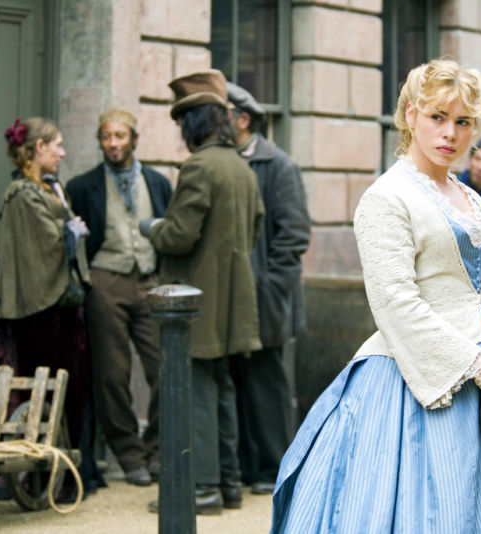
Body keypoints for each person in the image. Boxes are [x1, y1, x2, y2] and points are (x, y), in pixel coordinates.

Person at [270, 59, 481, 533]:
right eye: (437, 117)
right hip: (416, 379)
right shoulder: (387, 197)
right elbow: (396, 302)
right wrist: (478, 367)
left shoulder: (469, 197)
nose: (450, 133)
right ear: (411, 115)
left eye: (462, 122)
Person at [140, 69, 264, 515]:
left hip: (196, 304)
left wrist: (151, 227)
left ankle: (203, 489)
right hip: (232, 302)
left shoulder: (198, 167)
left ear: (193, 123)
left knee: (196, 393)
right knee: (222, 390)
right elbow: (253, 230)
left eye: (181, 123)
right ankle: (227, 485)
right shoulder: (240, 167)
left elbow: (178, 236)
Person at [0, 117, 101, 497]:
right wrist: (69, 232)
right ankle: (35, 476)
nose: (63, 152)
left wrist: (70, 230)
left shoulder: (50, 188)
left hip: (63, 310)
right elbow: (40, 248)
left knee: (73, 391)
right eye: (57, 145)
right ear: (38, 148)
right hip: (41, 314)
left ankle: (65, 475)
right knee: (42, 392)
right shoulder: (21, 195)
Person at [66, 109, 172, 487]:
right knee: (112, 373)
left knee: (165, 367)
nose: (113, 143)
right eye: (106, 137)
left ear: (133, 138)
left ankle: (159, 449)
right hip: (106, 281)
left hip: (150, 281)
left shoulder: (158, 183)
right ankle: (129, 455)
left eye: (119, 136)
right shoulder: (82, 187)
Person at [225, 82, 311, 496]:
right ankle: (246, 468)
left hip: (267, 302)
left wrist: (267, 286)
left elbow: (294, 236)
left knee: (269, 387)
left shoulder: (279, 165)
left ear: (242, 119)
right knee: (239, 384)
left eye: (221, 112)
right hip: (234, 300)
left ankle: (276, 468)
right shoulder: (224, 162)